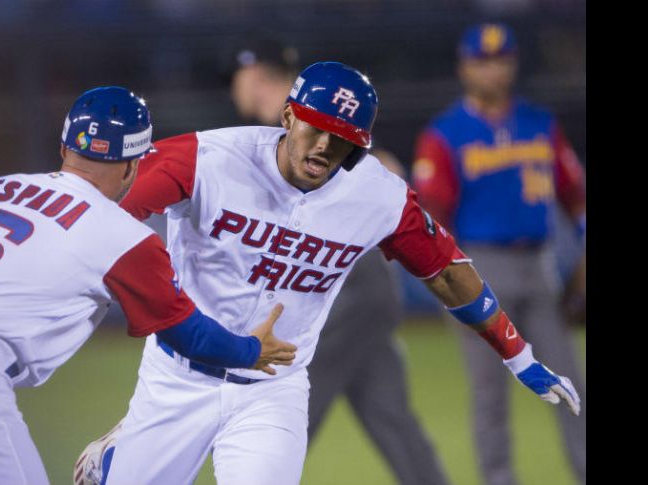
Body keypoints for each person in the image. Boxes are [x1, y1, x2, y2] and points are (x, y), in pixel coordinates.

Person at [75, 62, 580, 485]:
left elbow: (447, 274)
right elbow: (103, 217)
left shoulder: (377, 197)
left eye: (342, 139)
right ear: (289, 115)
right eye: (314, 127)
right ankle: (127, 445)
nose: (323, 147)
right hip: (177, 380)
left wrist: (518, 356)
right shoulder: (208, 157)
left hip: (272, 390)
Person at [0, 86, 296, 485]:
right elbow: (188, 334)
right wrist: (250, 350)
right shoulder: (121, 234)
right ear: (133, 166)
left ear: (64, 148)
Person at [230, 42, 452, 485]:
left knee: (282, 404)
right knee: (391, 416)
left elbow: (384, 170)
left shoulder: (308, 122)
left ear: (255, 75)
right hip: (358, 297)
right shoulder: (293, 126)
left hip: (351, 292)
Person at [412, 23, 586, 485]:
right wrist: (447, 282)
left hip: (539, 265)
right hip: (480, 267)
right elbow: (433, 218)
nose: (493, 69)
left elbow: (576, 196)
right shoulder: (446, 134)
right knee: (491, 397)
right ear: (464, 67)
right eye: (482, 60)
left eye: (501, 59)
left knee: (572, 383)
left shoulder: (539, 123)